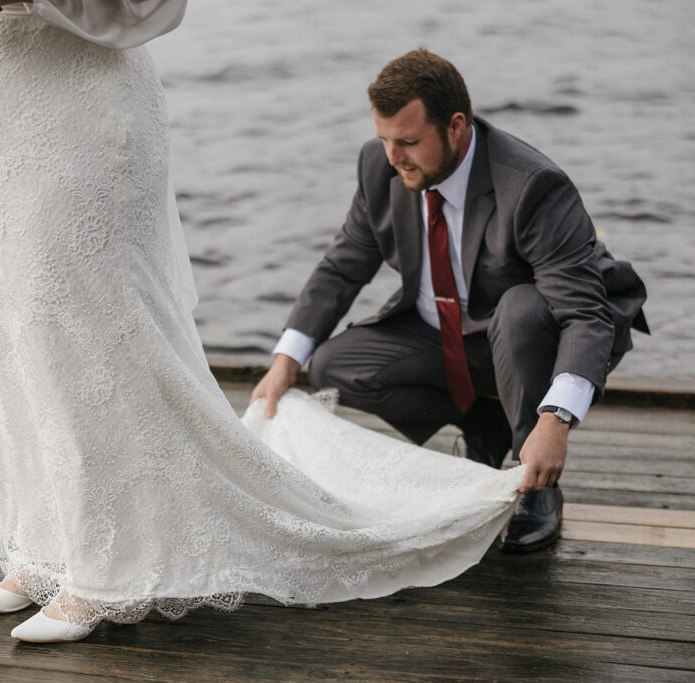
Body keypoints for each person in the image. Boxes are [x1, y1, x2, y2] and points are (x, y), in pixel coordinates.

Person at [0, 3, 526, 644]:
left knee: (83, 337)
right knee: (10, 328)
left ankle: (109, 567)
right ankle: (47, 545)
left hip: (67, 111)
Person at [253, 48, 649, 554]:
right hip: (439, 333)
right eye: (385, 140)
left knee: (523, 309)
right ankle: (483, 426)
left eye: (409, 142)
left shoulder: (531, 185)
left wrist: (557, 422)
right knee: (332, 364)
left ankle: (538, 485)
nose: (394, 158)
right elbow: (344, 263)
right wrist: (287, 360)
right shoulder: (382, 167)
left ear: (456, 125)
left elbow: (584, 312)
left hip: (525, 335)